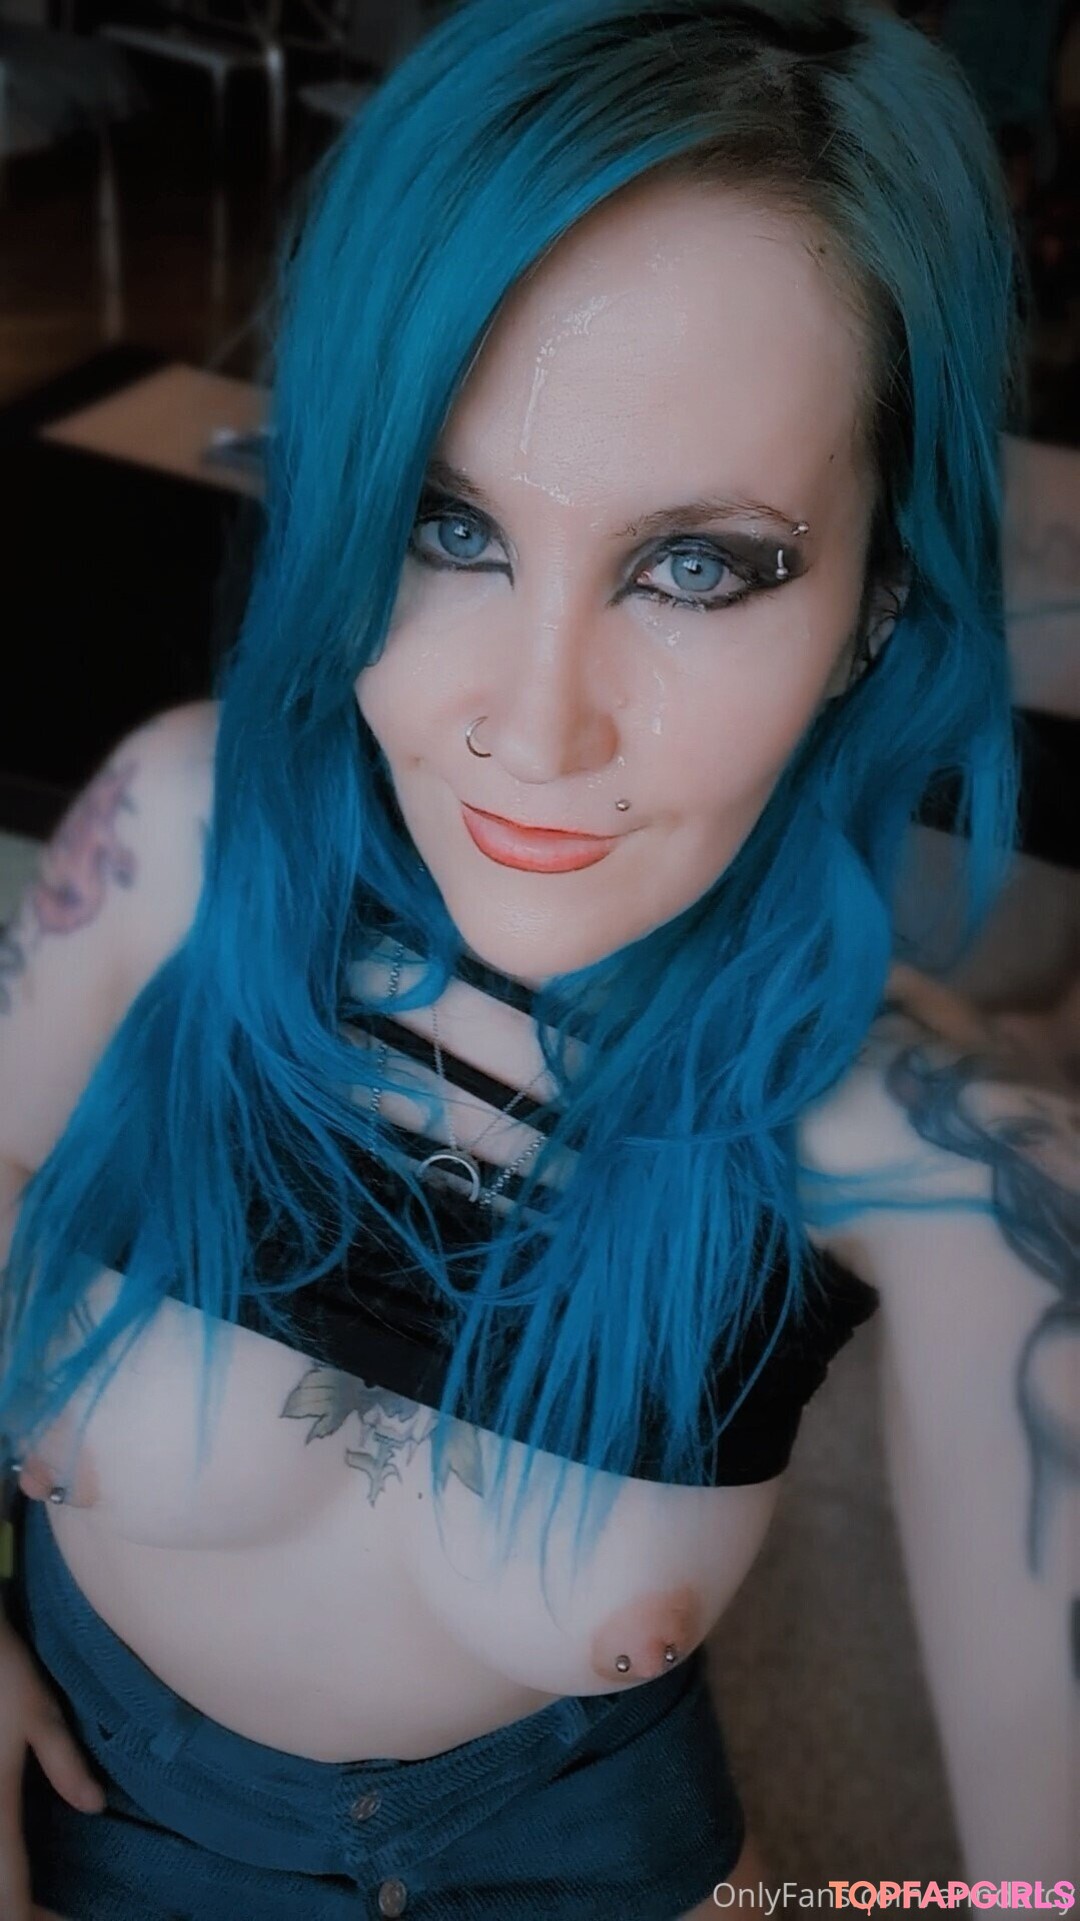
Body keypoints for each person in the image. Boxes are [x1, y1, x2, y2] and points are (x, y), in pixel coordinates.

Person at [0, 2, 1075, 1916]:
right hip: (106, 1805)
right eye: (449, 523)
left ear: (873, 606)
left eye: (697, 565)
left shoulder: (945, 1172)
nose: (535, 721)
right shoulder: (175, 845)